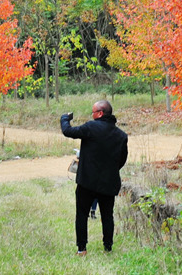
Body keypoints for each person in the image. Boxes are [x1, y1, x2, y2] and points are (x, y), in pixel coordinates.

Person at [61, 99, 128, 255]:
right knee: (107, 216)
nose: (91, 116)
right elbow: (122, 159)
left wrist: (64, 119)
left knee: (82, 214)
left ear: (100, 113)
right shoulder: (121, 135)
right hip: (109, 183)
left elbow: (68, 131)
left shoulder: (91, 127)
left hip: (87, 183)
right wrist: (110, 170)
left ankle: (81, 249)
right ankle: (108, 248)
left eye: (93, 112)